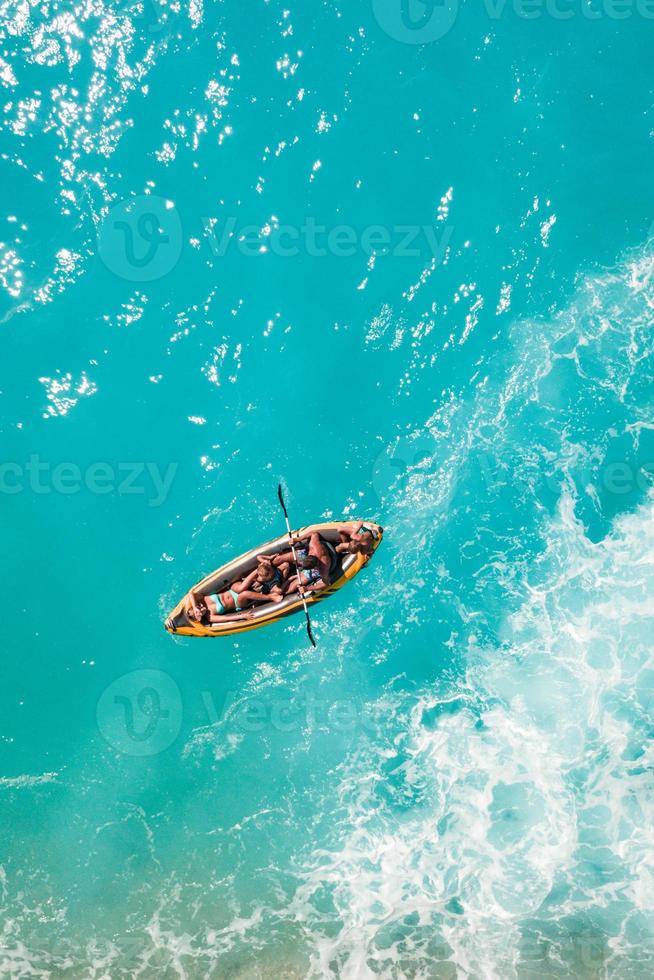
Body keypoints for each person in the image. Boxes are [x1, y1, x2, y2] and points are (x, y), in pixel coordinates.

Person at [186, 560, 285, 624]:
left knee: (241, 588)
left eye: (196, 610)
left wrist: (195, 607)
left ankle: (260, 568)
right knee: (244, 594)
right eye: (198, 614)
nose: (199, 610)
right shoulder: (210, 617)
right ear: (199, 618)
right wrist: (243, 616)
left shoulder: (202, 599)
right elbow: (227, 618)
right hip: (238, 602)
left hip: (232, 589)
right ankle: (271, 597)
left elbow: (190, 593)